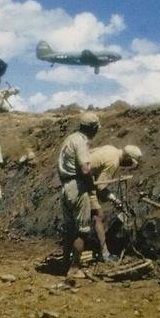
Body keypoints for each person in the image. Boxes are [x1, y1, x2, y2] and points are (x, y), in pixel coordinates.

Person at [57, 112, 100, 278]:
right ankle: (74, 268)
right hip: (77, 186)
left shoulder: (69, 139)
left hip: (66, 185)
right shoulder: (81, 142)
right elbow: (85, 169)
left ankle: (65, 263)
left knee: (69, 228)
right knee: (82, 230)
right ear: (93, 128)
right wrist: (90, 185)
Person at [89, 144, 142, 261]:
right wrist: (114, 199)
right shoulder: (114, 162)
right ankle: (105, 254)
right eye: (129, 163)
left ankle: (95, 249)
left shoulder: (111, 148)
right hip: (80, 180)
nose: (127, 166)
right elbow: (100, 187)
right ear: (127, 158)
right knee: (98, 216)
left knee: (94, 215)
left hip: (81, 176)